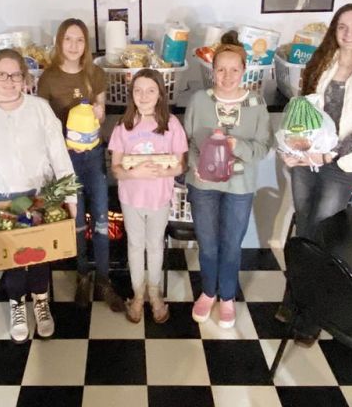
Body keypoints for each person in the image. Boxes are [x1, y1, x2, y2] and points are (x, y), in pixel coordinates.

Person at [277, 3, 352, 343]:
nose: (348, 33)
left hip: (341, 164)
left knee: (323, 235)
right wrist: (294, 145)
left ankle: (312, 315)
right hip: (307, 159)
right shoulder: (320, 61)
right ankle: (294, 297)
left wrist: (332, 151)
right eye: (342, 26)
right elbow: (303, 108)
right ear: (334, 30)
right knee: (304, 226)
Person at [0, 49, 77, 343]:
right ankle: (17, 306)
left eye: (15, 75)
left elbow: (58, 155)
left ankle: (40, 302)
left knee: (38, 255)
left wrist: (70, 197)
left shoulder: (40, 109)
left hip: (39, 196)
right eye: (2, 75)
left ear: (24, 77)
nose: (9, 81)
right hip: (0, 199)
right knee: (11, 258)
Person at [37, 18, 125, 312]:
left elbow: (101, 114)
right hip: (64, 160)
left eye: (80, 40)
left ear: (86, 45)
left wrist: (99, 112)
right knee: (76, 223)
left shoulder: (95, 73)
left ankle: (103, 280)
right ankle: (82, 276)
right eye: (68, 39)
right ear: (59, 42)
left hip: (92, 155)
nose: (74, 46)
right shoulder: (48, 78)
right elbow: (43, 123)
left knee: (100, 219)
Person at [184, 32, 271, 328]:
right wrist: (197, 166)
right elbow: (188, 142)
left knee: (231, 244)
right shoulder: (199, 100)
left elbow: (262, 148)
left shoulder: (257, 103)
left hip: (239, 186)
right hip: (204, 185)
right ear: (212, 71)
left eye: (235, 69)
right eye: (221, 69)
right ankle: (208, 292)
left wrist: (237, 146)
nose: (227, 75)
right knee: (208, 244)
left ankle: (227, 297)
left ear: (245, 71)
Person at [108, 69, 187, 324]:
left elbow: (180, 165)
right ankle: (138, 293)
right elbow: (116, 169)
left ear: (160, 94)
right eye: (138, 90)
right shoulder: (123, 126)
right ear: (131, 94)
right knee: (134, 245)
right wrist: (136, 172)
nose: (144, 96)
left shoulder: (171, 124)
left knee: (154, 246)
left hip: (159, 199)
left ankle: (154, 293)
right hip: (131, 199)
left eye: (150, 90)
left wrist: (165, 169)